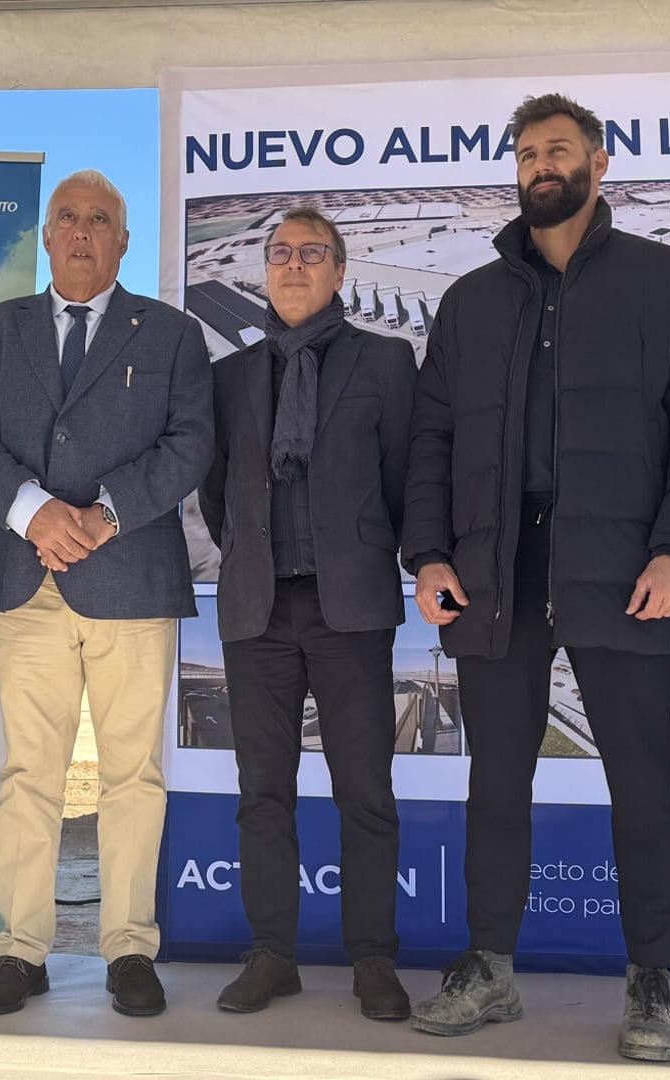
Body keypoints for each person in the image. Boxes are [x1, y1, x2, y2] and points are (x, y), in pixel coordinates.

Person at [402, 94, 670, 1062]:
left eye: (558, 149)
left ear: (599, 161)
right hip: (495, 567)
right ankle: (490, 966)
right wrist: (429, 553)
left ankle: (651, 980)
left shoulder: (669, 282)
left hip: (629, 566)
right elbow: (432, 437)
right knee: (495, 783)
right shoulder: (472, 300)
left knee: (643, 783)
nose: (541, 165)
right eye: (526, 153)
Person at [0, 169, 212, 1017]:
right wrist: (33, 512)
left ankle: (129, 948)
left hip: (130, 578)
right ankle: (20, 952)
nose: (83, 230)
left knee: (133, 774)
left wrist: (102, 516)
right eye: (68, 217)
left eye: (100, 219)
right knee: (31, 772)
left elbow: (191, 443)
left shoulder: (172, 334)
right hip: (24, 578)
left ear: (123, 241)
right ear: (47, 235)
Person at [197, 206, 413, 1021]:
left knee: (365, 793)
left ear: (340, 272)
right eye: (280, 253)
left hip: (349, 608)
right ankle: (272, 956)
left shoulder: (385, 362)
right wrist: (254, 556)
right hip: (259, 611)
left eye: (311, 254)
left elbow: (403, 478)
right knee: (263, 795)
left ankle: (373, 960)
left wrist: (362, 549)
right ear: (265, 270)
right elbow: (217, 493)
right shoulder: (230, 377)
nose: (293, 266)